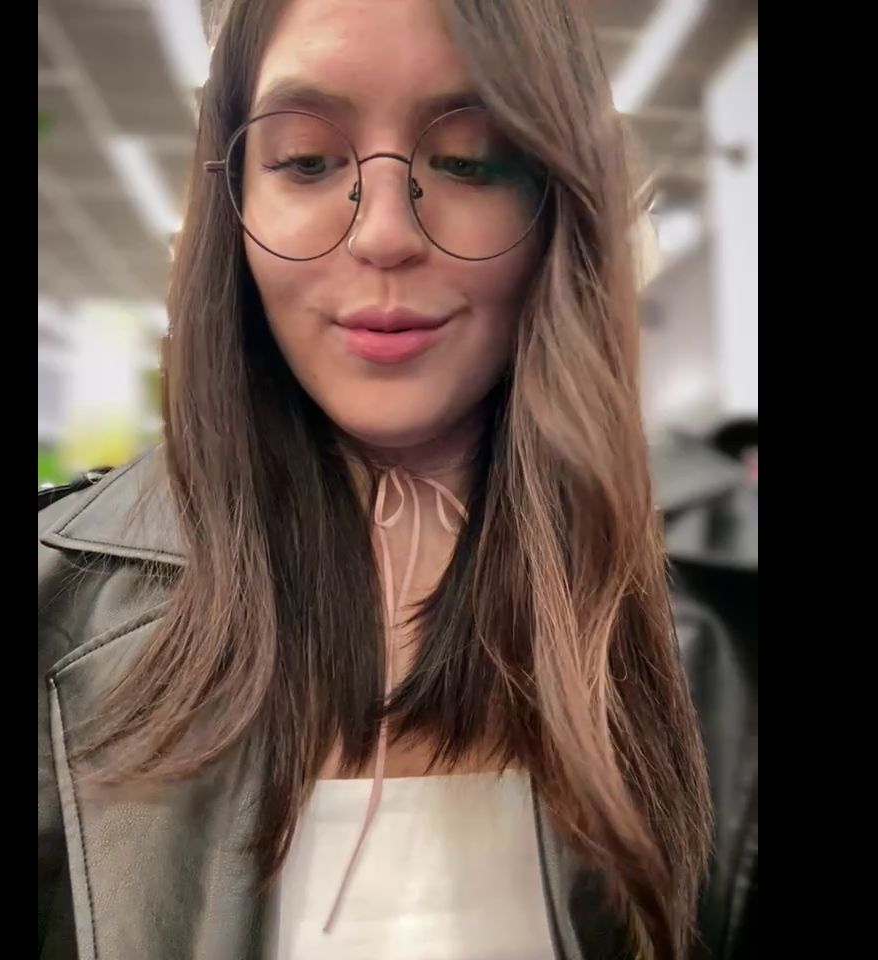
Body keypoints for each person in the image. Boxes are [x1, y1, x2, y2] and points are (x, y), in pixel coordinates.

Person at [38, 1, 714, 958]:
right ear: (234, 200)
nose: (385, 232)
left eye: (469, 160)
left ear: (559, 199)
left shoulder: (711, 639)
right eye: (307, 161)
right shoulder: (61, 611)